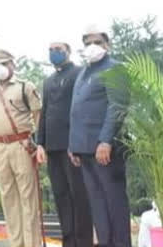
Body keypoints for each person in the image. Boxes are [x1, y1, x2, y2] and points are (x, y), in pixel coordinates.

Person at [69, 26, 131, 247]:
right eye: (87, 43)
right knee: (98, 206)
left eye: (97, 41)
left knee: (114, 205)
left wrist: (105, 140)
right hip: (84, 151)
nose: (92, 46)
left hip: (106, 150)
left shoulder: (115, 69)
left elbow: (117, 107)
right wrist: (72, 145)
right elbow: (76, 110)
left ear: (107, 45)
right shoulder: (84, 73)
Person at [0, 49, 42, 247]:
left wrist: (38, 142)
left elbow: (38, 114)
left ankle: (32, 243)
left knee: (28, 196)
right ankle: (16, 243)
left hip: (22, 144)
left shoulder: (25, 86)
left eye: (4, 63)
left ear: (13, 65)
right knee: (8, 197)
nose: (1, 68)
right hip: (0, 146)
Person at [36, 42, 93, 247]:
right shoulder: (48, 81)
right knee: (61, 195)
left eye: (58, 49)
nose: (54, 53)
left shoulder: (80, 73)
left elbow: (82, 108)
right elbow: (45, 112)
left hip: (73, 147)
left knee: (79, 195)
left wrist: (78, 143)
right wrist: (40, 143)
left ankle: (83, 242)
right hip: (52, 147)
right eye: (50, 49)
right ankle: (68, 242)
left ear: (68, 51)